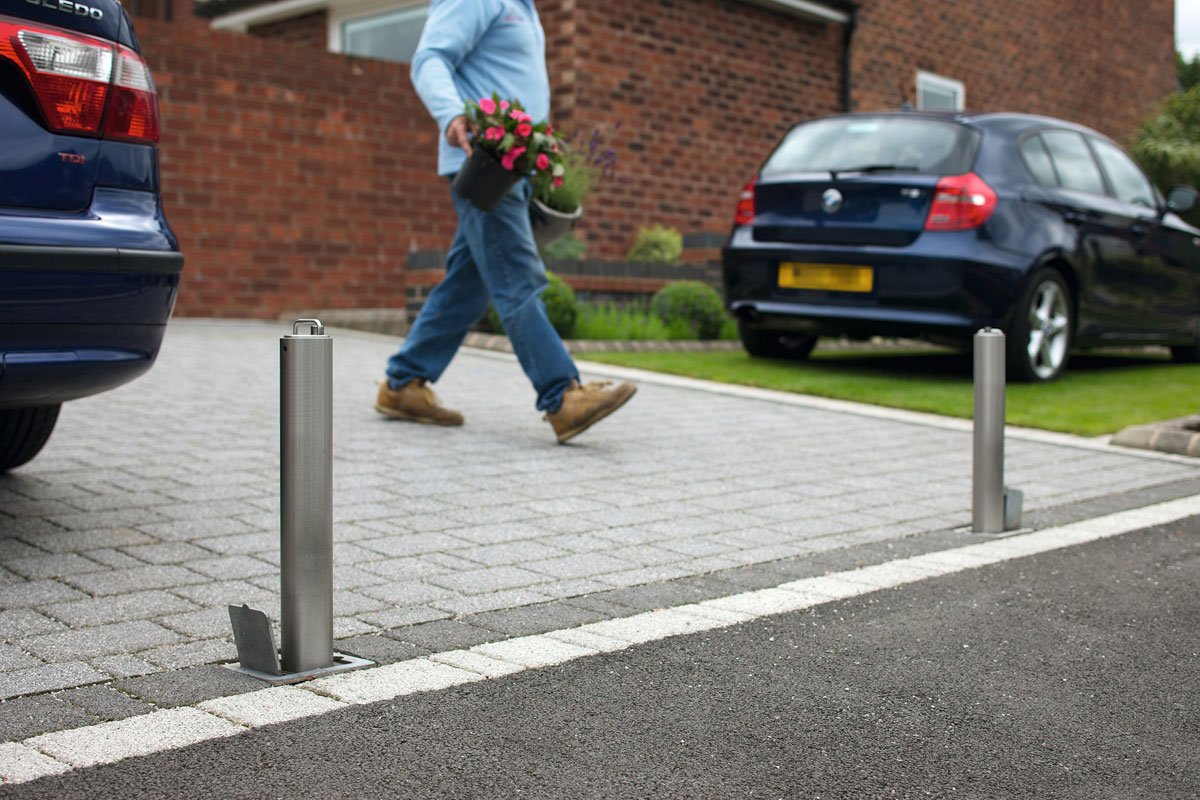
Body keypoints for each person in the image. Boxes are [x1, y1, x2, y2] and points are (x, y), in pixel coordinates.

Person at [375, 0, 636, 444]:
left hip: (515, 166)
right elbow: (430, 58)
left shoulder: (524, 7)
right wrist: (451, 114)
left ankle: (404, 383)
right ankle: (561, 395)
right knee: (515, 272)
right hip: (484, 161)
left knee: (468, 282)